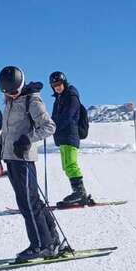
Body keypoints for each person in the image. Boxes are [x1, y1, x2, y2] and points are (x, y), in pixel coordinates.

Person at [0, 65, 64, 262]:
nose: (11, 95)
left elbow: (49, 127)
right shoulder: (9, 101)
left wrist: (27, 139)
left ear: (21, 84)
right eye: (8, 92)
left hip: (24, 159)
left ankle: (40, 246)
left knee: (29, 203)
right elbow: (9, 130)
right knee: (30, 201)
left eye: (14, 91)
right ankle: (51, 240)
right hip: (11, 158)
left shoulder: (31, 100)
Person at [49, 71, 93, 206]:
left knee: (71, 164)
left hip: (70, 135)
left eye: (59, 84)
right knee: (66, 165)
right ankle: (78, 192)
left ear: (64, 83)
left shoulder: (71, 96)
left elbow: (68, 116)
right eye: (54, 85)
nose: (57, 87)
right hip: (63, 136)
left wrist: (54, 127)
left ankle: (80, 193)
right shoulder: (58, 99)